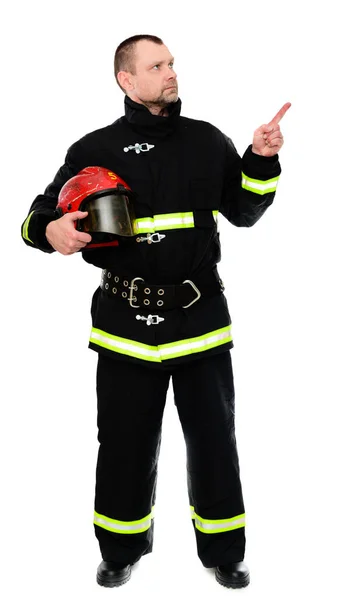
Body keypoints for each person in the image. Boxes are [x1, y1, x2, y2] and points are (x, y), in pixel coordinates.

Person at [21, 34, 290, 589]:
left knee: (215, 442)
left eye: (171, 63)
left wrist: (261, 159)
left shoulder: (207, 140)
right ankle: (120, 549)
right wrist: (51, 230)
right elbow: (38, 217)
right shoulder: (93, 147)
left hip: (200, 321)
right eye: (157, 65)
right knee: (123, 443)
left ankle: (224, 550)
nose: (170, 72)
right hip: (124, 325)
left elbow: (243, 210)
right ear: (127, 79)